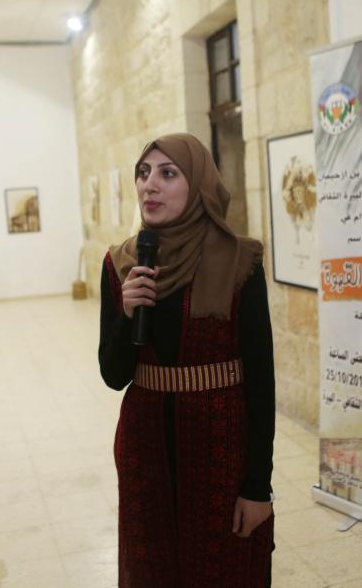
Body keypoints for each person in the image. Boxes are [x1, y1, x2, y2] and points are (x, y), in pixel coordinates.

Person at [99, 133, 276, 587]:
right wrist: (127, 314)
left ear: (198, 183)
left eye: (168, 173)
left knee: (224, 569)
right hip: (145, 447)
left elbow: (261, 381)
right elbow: (113, 374)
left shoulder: (241, 261)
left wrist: (258, 486)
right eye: (143, 173)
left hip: (222, 447)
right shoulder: (121, 264)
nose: (150, 185)